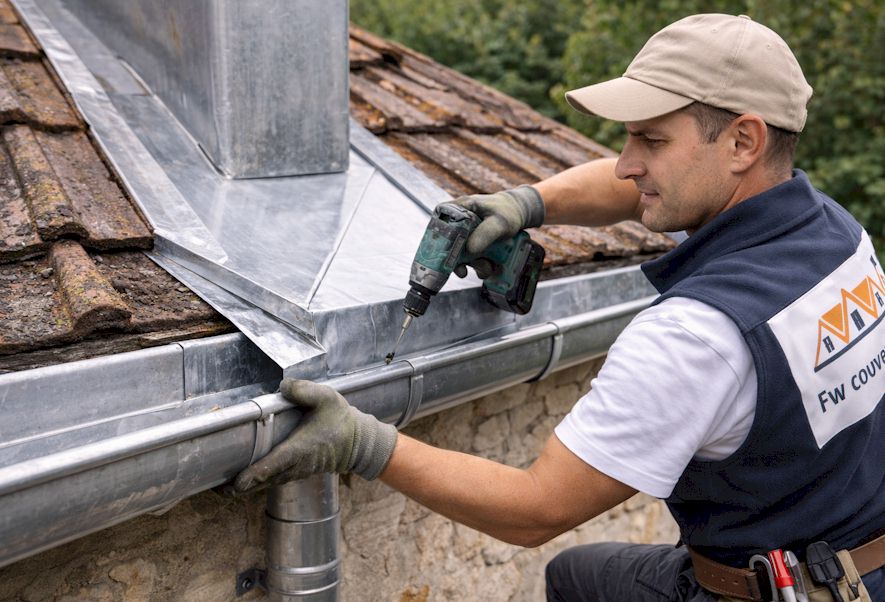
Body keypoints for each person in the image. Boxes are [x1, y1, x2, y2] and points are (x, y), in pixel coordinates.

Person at [235, 13, 884, 601]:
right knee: (578, 576)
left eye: (651, 141)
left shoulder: (696, 336)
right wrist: (525, 204)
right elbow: (642, 187)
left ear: (743, 142)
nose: (626, 165)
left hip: (766, 589)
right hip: (860, 559)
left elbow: (535, 509)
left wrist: (362, 442)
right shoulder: (834, 236)